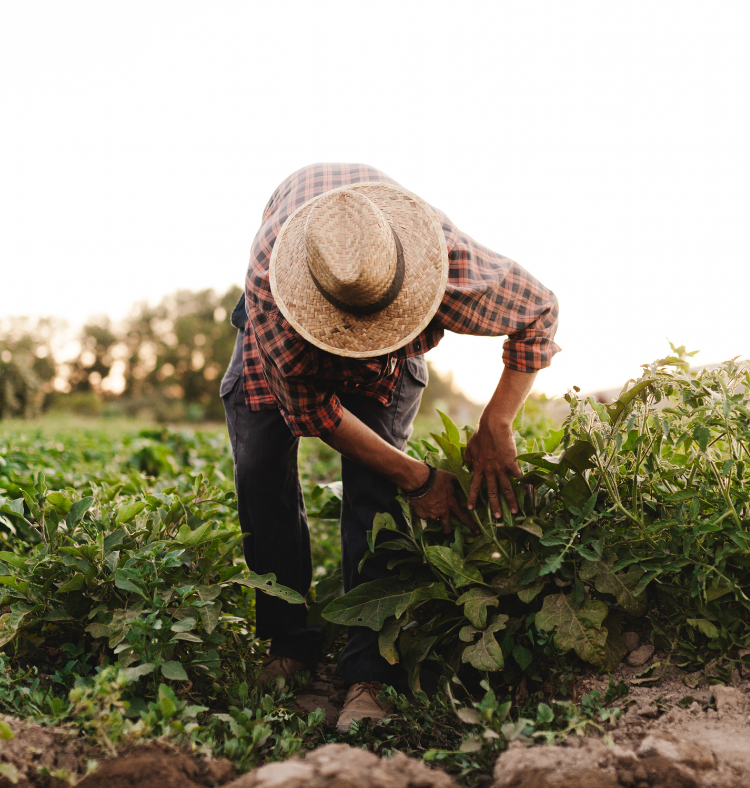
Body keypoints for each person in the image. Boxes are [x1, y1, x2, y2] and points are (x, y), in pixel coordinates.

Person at [220, 163, 559, 730]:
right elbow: (316, 414)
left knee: (375, 495)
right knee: (259, 471)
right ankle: (290, 640)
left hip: (392, 337)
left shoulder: (443, 261)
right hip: (284, 336)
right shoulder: (274, 295)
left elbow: (539, 312)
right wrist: (421, 478)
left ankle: (368, 672)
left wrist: (497, 422)